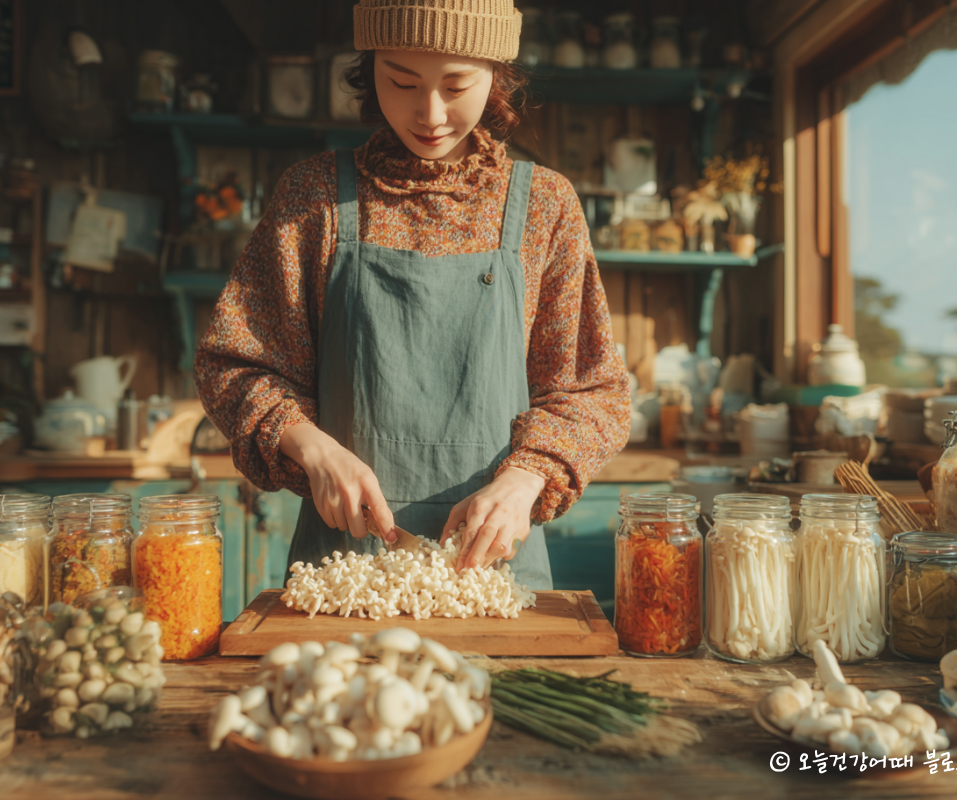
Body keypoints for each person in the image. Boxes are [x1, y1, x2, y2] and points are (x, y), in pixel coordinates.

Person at [194, 0, 630, 590]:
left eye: (457, 85)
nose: (430, 113)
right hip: (344, 581)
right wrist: (313, 451)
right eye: (402, 81)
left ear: (496, 75)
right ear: (370, 67)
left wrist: (525, 479)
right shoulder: (314, 197)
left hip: (495, 575)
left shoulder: (546, 207)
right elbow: (236, 365)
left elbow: (591, 392)